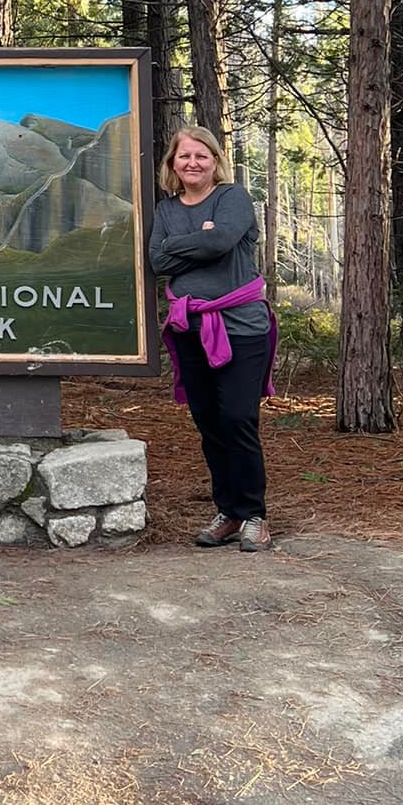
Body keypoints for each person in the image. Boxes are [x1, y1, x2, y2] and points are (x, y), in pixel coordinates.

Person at [149, 124, 277, 552]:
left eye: (201, 155)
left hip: (241, 328)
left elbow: (222, 240)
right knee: (208, 421)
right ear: (172, 164)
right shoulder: (165, 209)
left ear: (215, 161)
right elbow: (155, 258)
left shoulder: (232, 198)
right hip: (190, 330)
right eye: (184, 156)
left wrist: (187, 243)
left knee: (238, 418)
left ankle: (255, 515)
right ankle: (229, 512)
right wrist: (199, 238)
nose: (192, 163)